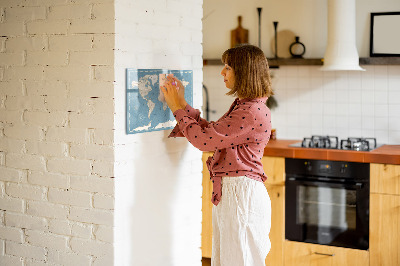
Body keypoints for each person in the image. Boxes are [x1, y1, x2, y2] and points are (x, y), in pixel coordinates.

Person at [161, 44, 273, 266]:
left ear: (244, 72)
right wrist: (182, 103)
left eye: (228, 67)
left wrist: (176, 107)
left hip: (241, 195)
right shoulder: (246, 106)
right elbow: (212, 133)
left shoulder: (250, 111)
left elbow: (204, 141)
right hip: (236, 193)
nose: (222, 72)